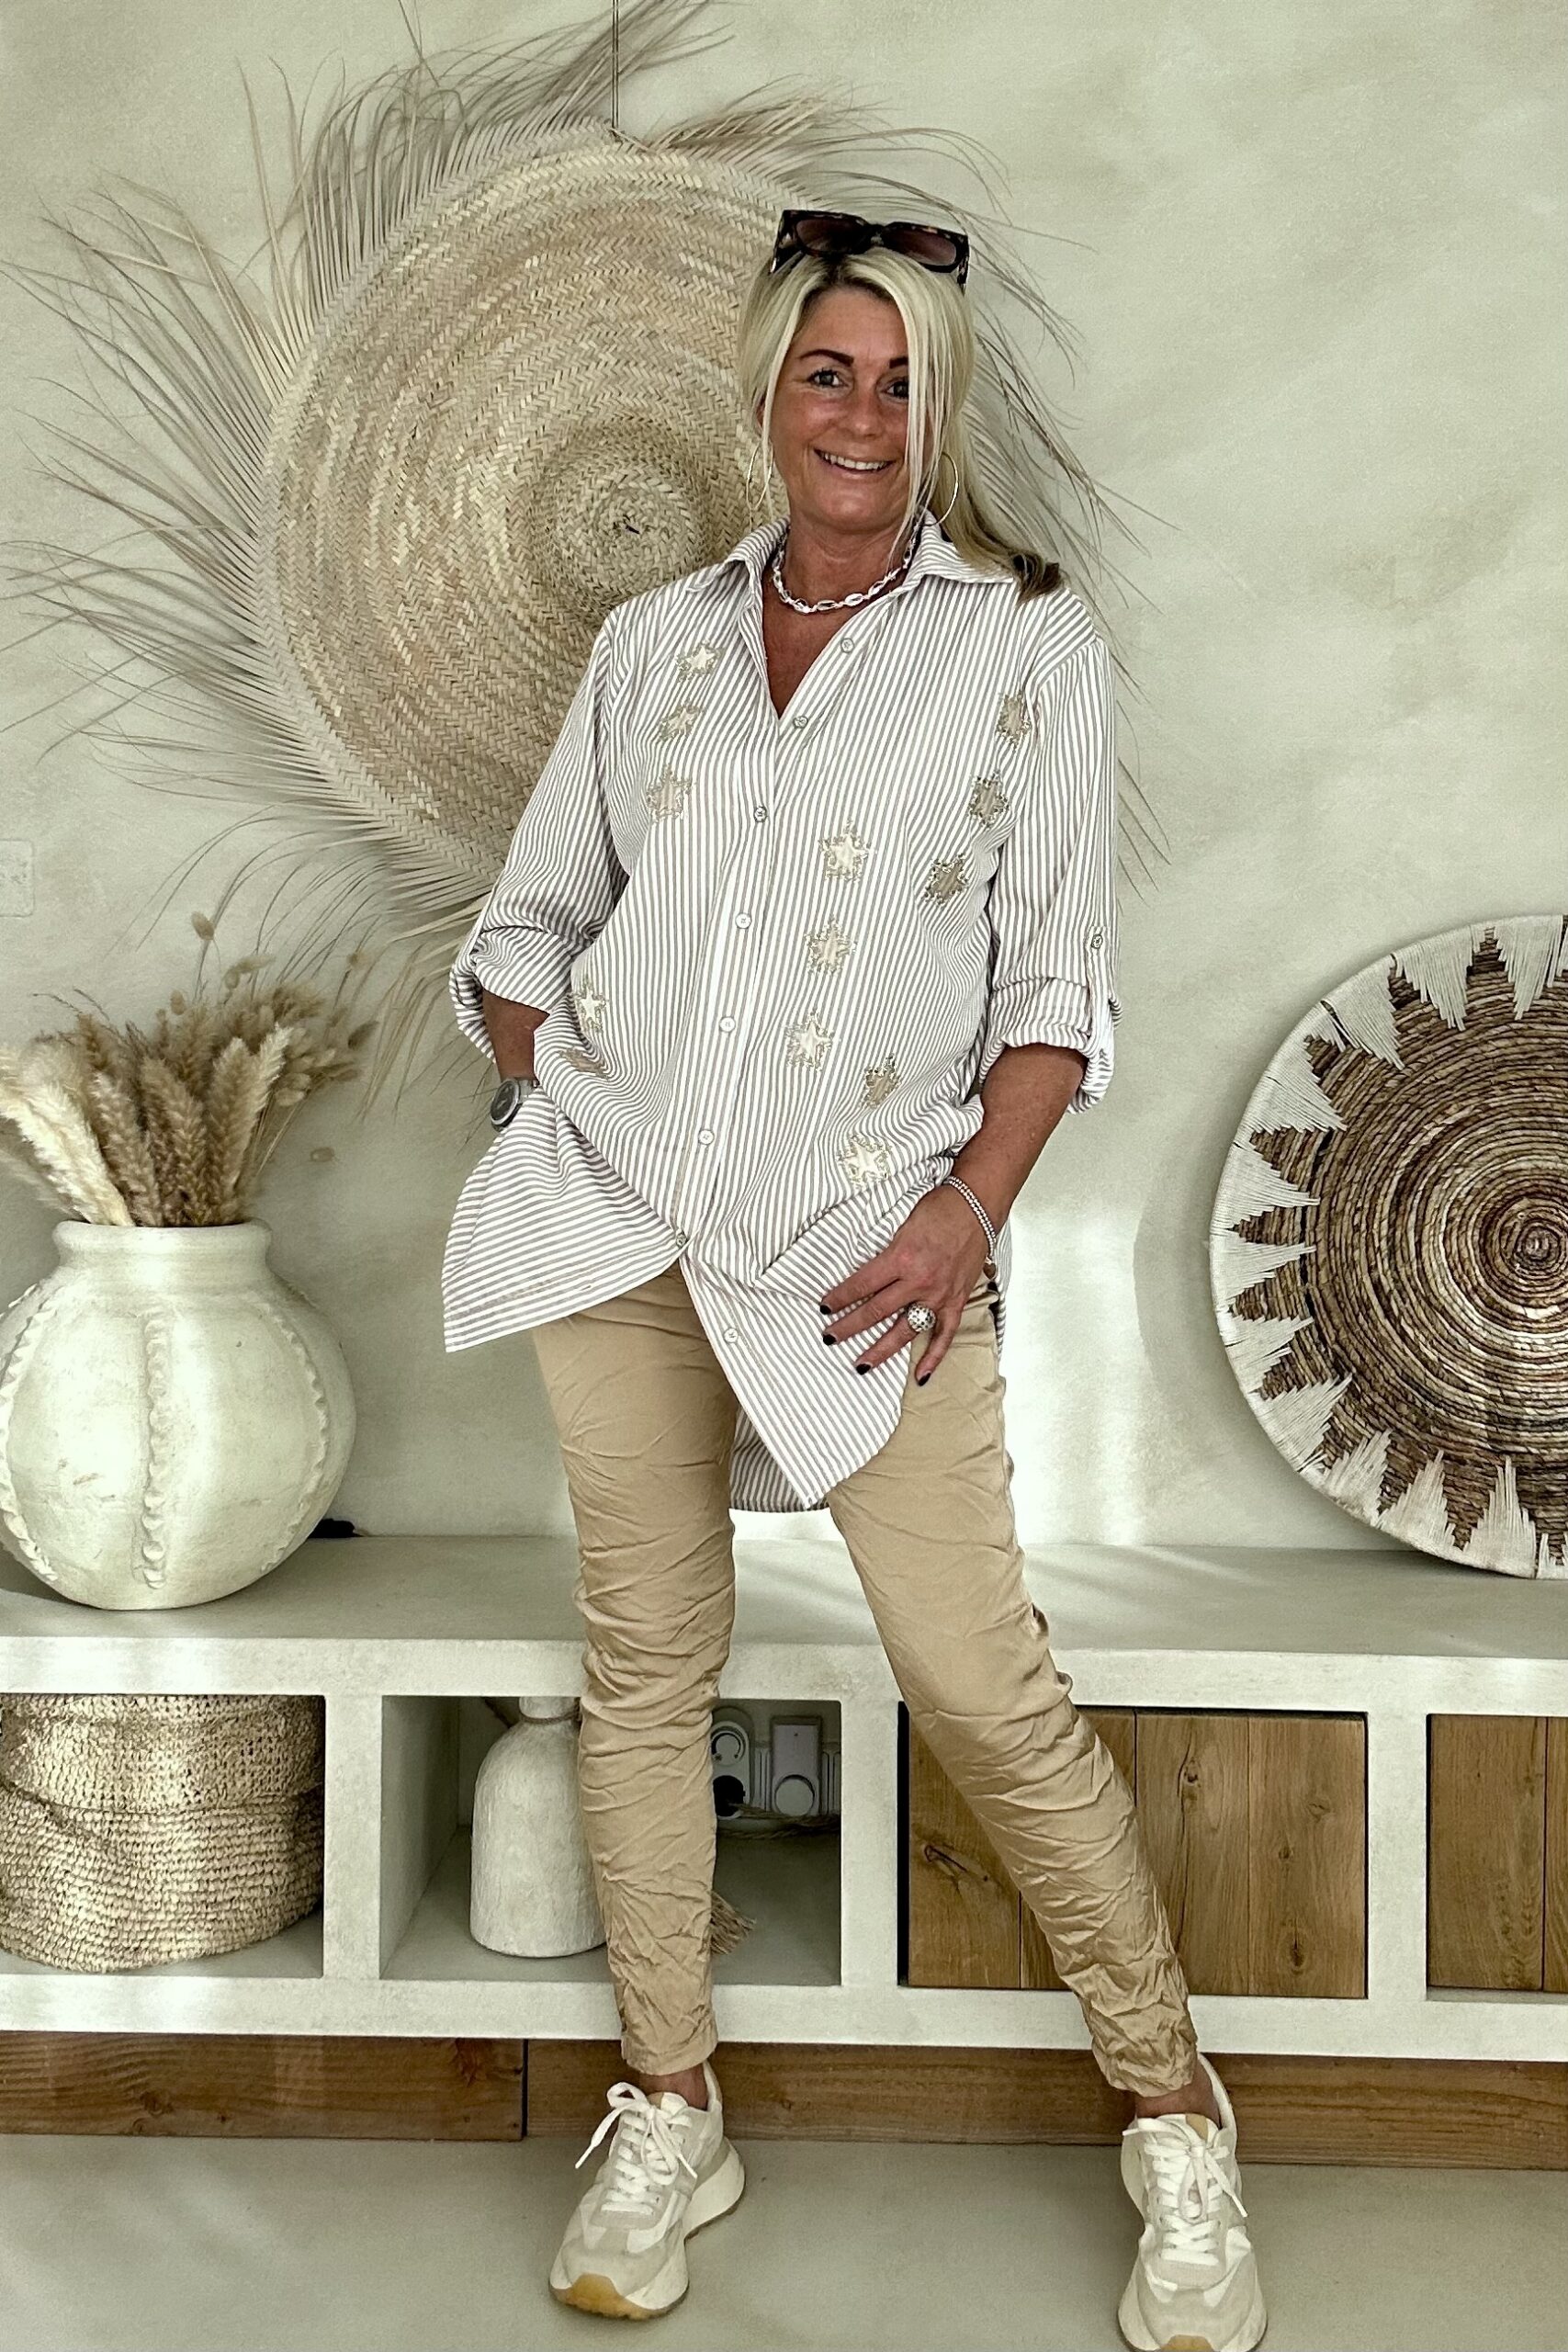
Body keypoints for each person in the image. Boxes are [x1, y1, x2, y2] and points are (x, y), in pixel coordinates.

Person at [442, 208, 1267, 2352]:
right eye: (829, 371)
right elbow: (524, 923)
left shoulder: (1026, 645)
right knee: (645, 1668)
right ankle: (667, 2102)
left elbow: (1055, 992)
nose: (864, 415)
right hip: (619, 1228)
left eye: (903, 381)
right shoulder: (654, 644)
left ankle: (1173, 2114)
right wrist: (571, 1076)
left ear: (941, 412)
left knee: (980, 1685)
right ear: (764, 393)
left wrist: (961, 1216)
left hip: (869, 1255)